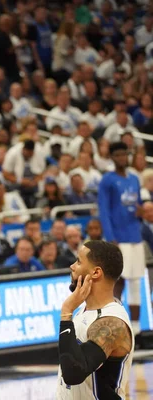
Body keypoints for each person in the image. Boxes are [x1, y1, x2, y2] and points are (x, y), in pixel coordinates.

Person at [56, 241, 134, 399]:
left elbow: (73, 373)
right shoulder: (84, 310)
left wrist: (66, 313)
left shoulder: (112, 323)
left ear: (96, 273)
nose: (72, 266)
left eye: (78, 261)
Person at [98, 142, 145, 340]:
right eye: (117, 155)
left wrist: (143, 211)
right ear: (111, 157)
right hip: (119, 237)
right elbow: (104, 210)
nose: (121, 158)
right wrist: (111, 238)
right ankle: (116, 325)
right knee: (119, 281)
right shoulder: (107, 180)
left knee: (136, 281)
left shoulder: (135, 179)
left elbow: (138, 205)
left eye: (124, 154)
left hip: (135, 235)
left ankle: (136, 329)